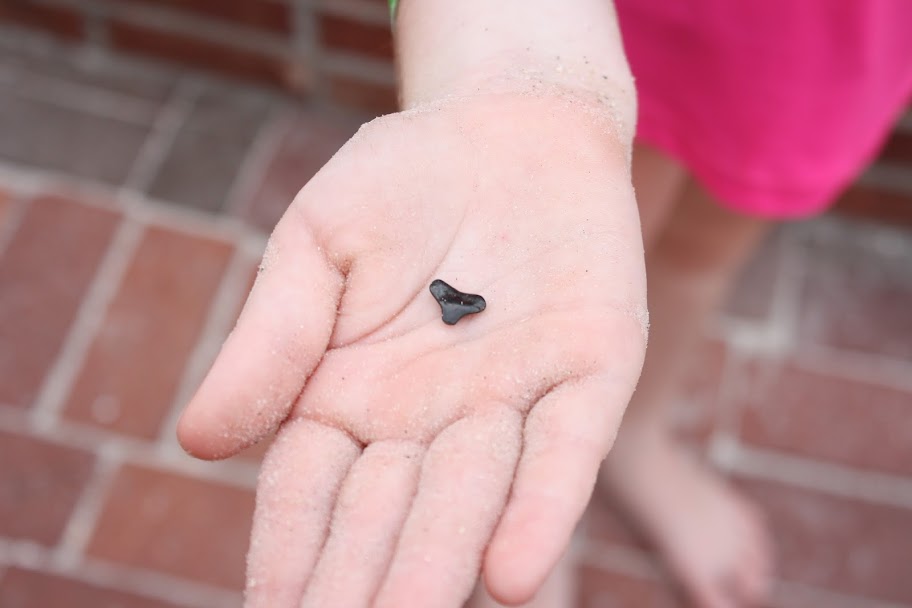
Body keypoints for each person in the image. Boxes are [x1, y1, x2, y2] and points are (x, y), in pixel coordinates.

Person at [175, 1, 912, 607]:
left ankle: (634, 432)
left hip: (831, 32)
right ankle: (523, 500)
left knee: (702, 250)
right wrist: (510, 52)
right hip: (610, 26)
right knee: (602, 223)